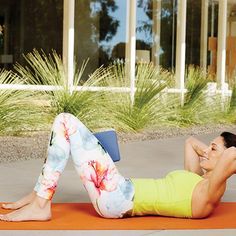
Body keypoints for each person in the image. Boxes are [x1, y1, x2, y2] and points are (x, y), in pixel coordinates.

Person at [0, 113, 236, 221]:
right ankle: (38, 195)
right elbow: (190, 142)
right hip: (119, 191)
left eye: (213, 149)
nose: (206, 150)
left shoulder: (212, 191)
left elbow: (232, 154)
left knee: (65, 121)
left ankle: (41, 204)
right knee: (67, 131)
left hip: (118, 197)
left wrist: (222, 156)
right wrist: (212, 151)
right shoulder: (196, 180)